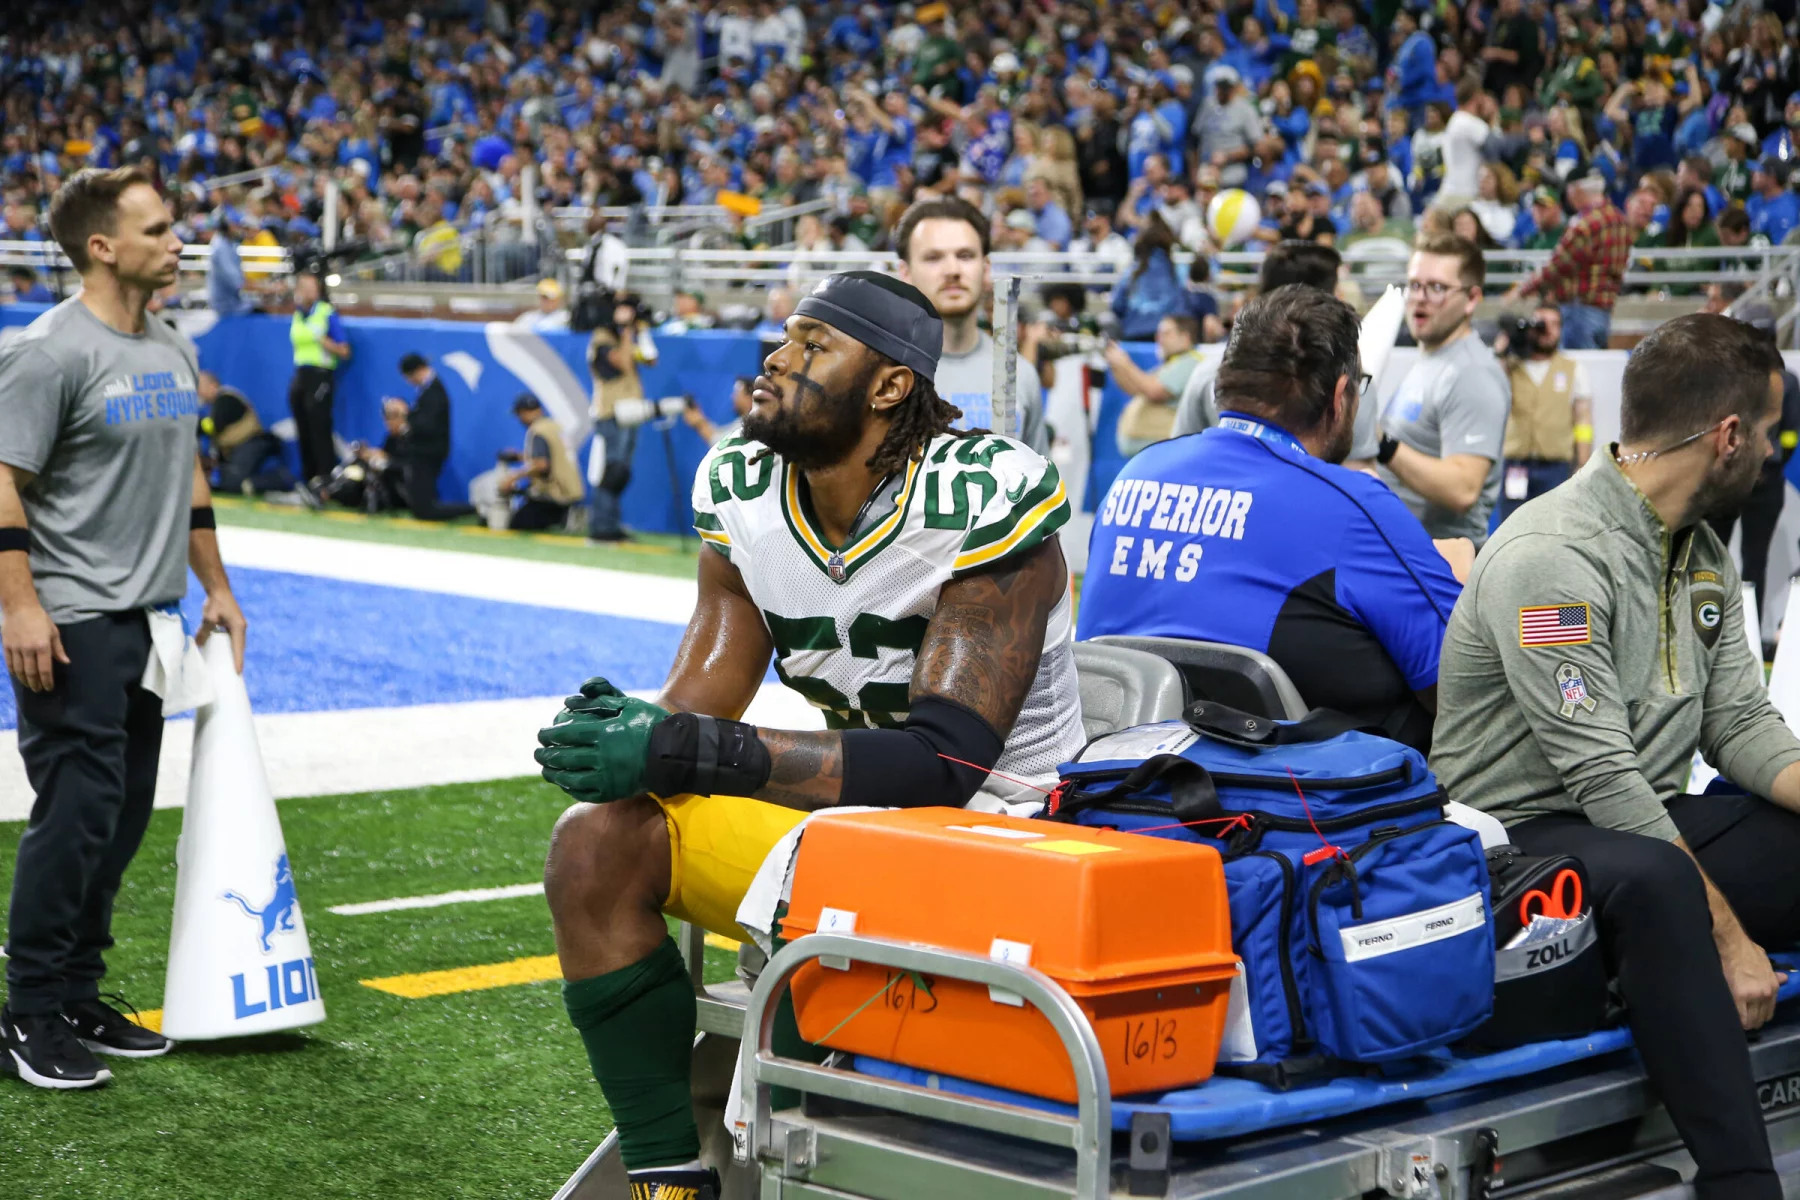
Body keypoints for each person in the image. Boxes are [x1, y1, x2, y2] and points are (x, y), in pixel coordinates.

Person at [536, 272, 1083, 1200]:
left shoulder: (985, 491)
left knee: (824, 886)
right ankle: (669, 1182)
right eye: (782, 339)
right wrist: (638, 734)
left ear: (889, 386)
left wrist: (699, 752)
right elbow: (702, 703)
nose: (776, 359)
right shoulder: (744, 485)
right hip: (852, 824)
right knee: (596, 842)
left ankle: (829, 1168)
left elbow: (942, 764)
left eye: (812, 345)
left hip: (1008, 826)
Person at [1431, 314, 1800, 1200]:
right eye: (1773, 435)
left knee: (1727, 854)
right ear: (1728, 437)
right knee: (1665, 887)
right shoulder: (1553, 555)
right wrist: (1732, 938)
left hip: (1635, 827)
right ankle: (1743, 1184)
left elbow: (1741, 726)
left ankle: (1652, 963)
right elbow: (1602, 778)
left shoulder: (1701, 552)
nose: (1774, 457)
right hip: (1519, 842)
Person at [0, 166, 248, 1088]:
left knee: (122, 816)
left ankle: (75, 991)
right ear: (101, 247)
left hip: (152, 619)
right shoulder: (48, 352)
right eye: (155, 229)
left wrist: (215, 586)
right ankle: (27, 1013)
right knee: (77, 814)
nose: (176, 240)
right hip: (71, 619)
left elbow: (188, 477)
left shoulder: (173, 349)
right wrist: (20, 605)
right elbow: (3, 481)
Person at [1077, 286, 1465, 750]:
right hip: (1294, 802)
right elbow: (1460, 686)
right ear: (1341, 396)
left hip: (1120, 784)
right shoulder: (1351, 506)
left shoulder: (1134, 475)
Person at [1376, 233, 1511, 544]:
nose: (1420, 297)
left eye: (1437, 288)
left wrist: (1381, 443)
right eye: (1415, 285)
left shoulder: (1472, 374)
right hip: (1410, 560)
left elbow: (1463, 488)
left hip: (1440, 572)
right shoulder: (1431, 359)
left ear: (1472, 299)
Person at [892, 196, 1049, 453]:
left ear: (985, 268)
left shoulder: (1020, 374)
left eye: (965, 255)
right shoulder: (880, 374)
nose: (952, 269)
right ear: (905, 272)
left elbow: (1041, 488)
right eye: (933, 258)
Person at [1171, 240, 1344, 439]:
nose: (1343, 298)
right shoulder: (1341, 382)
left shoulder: (1210, 371)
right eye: (1337, 290)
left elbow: (1178, 453)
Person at [1707, 309, 1800, 650]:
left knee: (1747, 561)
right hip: (1745, 482)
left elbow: (1790, 435)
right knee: (1720, 559)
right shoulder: (1769, 381)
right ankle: (1719, 637)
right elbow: (1787, 437)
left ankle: (1743, 643)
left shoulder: (1783, 382)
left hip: (1756, 482)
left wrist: (1761, 464)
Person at [1505, 168, 1631, 350]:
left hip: (1580, 309)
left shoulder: (1585, 224)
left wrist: (1522, 290)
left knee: (1579, 365)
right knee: (1595, 363)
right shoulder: (1619, 219)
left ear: (1577, 191)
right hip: (1605, 307)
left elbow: (1558, 266)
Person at [1495, 304, 1593, 525]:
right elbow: (1488, 392)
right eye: (1541, 324)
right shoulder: (1511, 367)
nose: (1548, 330)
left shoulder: (1573, 369)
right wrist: (1503, 348)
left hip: (1556, 467)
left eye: (1555, 324)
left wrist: (1583, 463)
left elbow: (1583, 419)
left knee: (1553, 529)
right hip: (1516, 465)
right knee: (1510, 527)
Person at [587, 297, 657, 543]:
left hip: (630, 411)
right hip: (610, 412)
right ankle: (600, 526)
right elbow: (625, 363)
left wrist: (642, 333)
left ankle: (611, 523)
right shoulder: (602, 338)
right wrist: (628, 333)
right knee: (611, 470)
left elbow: (651, 358)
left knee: (621, 472)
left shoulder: (626, 338)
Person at [288, 270, 351, 492]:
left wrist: (325, 342)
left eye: (312, 288)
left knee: (320, 428)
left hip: (321, 375)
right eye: (304, 288)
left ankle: (325, 481)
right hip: (301, 374)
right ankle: (308, 478)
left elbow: (344, 350)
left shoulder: (326, 313)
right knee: (302, 428)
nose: (307, 292)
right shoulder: (297, 314)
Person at [1107, 315, 1203, 458]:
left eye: (1166, 333)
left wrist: (1124, 363)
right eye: (1158, 334)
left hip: (1165, 455)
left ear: (1185, 337)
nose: (1159, 339)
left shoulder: (1191, 362)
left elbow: (1154, 391)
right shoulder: (1172, 364)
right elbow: (1135, 389)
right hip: (1153, 455)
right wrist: (1116, 365)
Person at [394, 353, 475, 522]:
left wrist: (406, 417)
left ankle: (472, 510)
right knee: (421, 503)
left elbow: (427, 425)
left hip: (427, 452)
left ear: (415, 372)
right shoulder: (429, 390)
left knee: (424, 509)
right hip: (425, 451)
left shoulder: (434, 392)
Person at [200, 371, 295, 497]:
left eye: (200, 386)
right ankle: (253, 484)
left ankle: (283, 480)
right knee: (227, 481)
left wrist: (195, 424)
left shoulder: (226, 397)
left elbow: (215, 425)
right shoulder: (215, 404)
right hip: (240, 448)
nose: (197, 391)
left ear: (212, 385)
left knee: (233, 482)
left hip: (252, 444)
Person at [504, 394, 583, 531]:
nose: (520, 419)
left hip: (555, 496)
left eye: (519, 415)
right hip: (572, 492)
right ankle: (565, 517)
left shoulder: (538, 430)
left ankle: (560, 519)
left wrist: (513, 477)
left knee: (517, 524)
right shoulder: (554, 426)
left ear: (524, 412)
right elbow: (554, 457)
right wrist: (521, 457)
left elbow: (542, 465)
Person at [681, 377, 753, 446]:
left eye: (737, 394)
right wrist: (701, 421)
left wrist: (700, 423)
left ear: (749, 397)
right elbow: (720, 433)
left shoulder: (750, 425)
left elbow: (721, 444)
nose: (733, 397)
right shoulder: (741, 422)